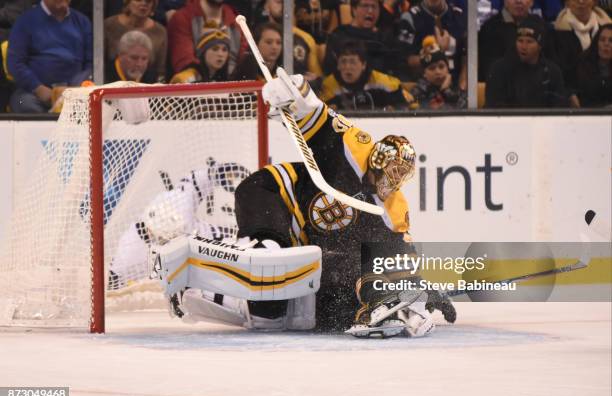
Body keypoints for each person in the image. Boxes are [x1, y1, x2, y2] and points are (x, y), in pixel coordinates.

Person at [155, 70, 456, 337]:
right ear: (375, 159)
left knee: (271, 313)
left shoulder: (394, 212)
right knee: (263, 216)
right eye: (389, 172)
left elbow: (397, 258)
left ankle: (197, 289)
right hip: (283, 199)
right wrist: (296, 91)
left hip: (312, 257)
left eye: (399, 177)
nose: (391, 182)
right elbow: (316, 115)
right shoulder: (354, 148)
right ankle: (266, 247)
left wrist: (421, 287)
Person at [109, 159, 251, 290]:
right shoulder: (130, 251)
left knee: (241, 242)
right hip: (177, 252)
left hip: (192, 235)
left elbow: (195, 182)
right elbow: (113, 281)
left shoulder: (179, 205)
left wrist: (217, 173)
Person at [7, 0, 92, 113]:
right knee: (24, 104)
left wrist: (76, 89)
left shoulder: (82, 22)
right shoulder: (25, 21)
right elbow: (15, 62)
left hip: (76, 91)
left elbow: (92, 62)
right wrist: (37, 88)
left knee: (94, 106)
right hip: (34, 92)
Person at [485, 15, 568, 107]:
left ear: (540, 45)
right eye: (520, 41)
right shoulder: (499, 69)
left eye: (529, 41)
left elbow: (559, 108)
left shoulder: (552, 72)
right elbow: (493, 106)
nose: (523, 47)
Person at [319, 40, 414, 110]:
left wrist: (395, 107)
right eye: (343, 61)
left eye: (352, 62)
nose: (347, 66)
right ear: (338, 65)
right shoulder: (328, 85)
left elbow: (408, 105)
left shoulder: (382, 81)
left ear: (363, 65)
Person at [478, 0, 557, 81]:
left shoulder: (542, 27)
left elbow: (552, 65)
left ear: (532, 2)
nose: (518, 1)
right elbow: (491, 71)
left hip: (539, 86)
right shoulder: (490, 29)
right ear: (505, 1)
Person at [167, 0, 245, 79]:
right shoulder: (182, 18)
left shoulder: (237, 20)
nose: (220, 54)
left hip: (232, 86)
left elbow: (245, 60)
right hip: (197, 87)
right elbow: (184, 62)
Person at [554, 0, 611, 104]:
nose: (581, 1)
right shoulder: (555, 34)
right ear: (566, 2)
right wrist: (570, 94)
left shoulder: (607, 28)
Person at [395, 0, 467, 83]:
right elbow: (404, 60)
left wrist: (463, 82)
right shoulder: (410, 17)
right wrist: (436, 52)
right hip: (423, 85)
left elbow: (468, 53)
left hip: (456, 83)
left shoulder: (459, 15)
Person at [253, 0, 323, 84]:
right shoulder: (252, 35)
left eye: (287, 3)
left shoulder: (305, 38)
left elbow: (316, 76)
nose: (284, 6)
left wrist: (313, 81)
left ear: (293, 6)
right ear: (266, 6)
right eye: (278, 2)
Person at [323, 0, 394, 75]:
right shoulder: (339, 34)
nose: (370, 11)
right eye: (365, 6)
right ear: (354, 9)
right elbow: (330, 68)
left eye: (374, 7)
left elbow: (391, 67)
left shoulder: (384, 37)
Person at [104, 0, 168, 83]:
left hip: (147, 84)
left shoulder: (160, 31)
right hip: (110, 81)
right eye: (138, 0)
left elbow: (160, 71)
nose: (143, 4)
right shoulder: (109, 25)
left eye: (148, 1)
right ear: (128, 2)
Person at [409, 36, 467, 110]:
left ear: (448, 69)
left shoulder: (456, 88)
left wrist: (445, 90)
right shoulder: (418, 91)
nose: (438, 72)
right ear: (424, 73)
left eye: (441, 67)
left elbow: (462, 110)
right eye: (432, 68)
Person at [572, 23, 612, 107]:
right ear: (596, 42)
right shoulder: (582, 63)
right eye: (602, 40)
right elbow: (571, 89)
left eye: (611, 41)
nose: (606, 44)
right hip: (587, 114)